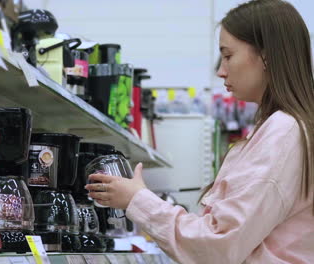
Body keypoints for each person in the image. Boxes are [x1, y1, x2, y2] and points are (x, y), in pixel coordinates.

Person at [85, 0, 314, 263]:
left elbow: (218, 244)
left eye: (228, 56)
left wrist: (137, 200)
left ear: (266, 56)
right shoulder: (287, 128)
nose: (221, 71)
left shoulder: (283, 133)